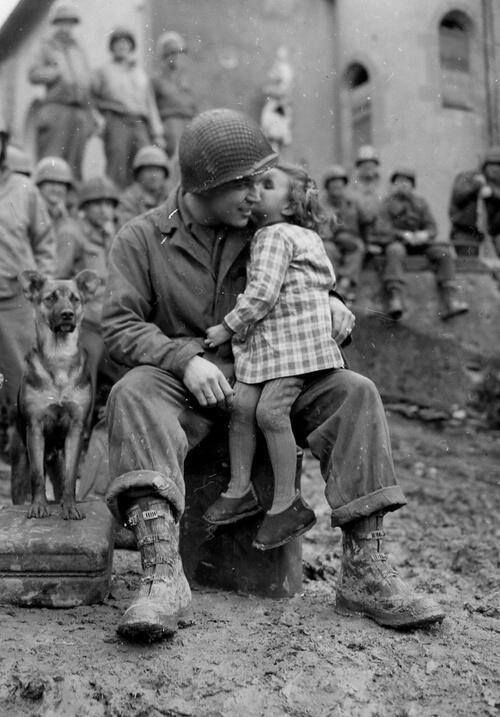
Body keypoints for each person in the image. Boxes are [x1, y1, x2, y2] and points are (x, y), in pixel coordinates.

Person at [101, 108, 444, 643]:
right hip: (187, 387)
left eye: (261, 182)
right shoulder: (141, 239)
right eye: (243, 184)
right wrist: (181, 360)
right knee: (132, 393)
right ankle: (161, 576)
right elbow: (119, 325)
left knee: (354, 393)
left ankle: (364, 572)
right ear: (202, 186)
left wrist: (332, 304)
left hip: (271, 376)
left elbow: (304, 275)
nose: (254, 194)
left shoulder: (264, 228)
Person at [202, 163, 341, 549]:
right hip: (272, 348)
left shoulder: (275, 236)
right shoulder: (297, 235)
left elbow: (262, 293)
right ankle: (239, 488)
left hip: (293, 348)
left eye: (267, 185)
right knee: (241, 404)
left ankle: (286, 504)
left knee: (269, 412)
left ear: (291, 204)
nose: (255, 191)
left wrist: (226, 327)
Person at [0, 122, 56, 435]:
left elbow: (45, 241)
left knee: (22, 382)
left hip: (15, 303)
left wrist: (42, 285)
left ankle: (24, 456)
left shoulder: (24, 189)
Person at [374, 168, 469, 320]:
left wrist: (424, 234)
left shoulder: (420, 203)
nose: (403, 185)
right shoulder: (386, 203)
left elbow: (432, 227)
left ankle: (451, 299)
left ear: (412, 186)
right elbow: (381, 228)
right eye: (399, 182)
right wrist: (403, 235)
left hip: (419, 244)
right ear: (393, 185)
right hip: (397, 242)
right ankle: (395, 298)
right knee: (394, 251)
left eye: (407, 182)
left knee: (443, 253)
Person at [92, 27, 165, 189]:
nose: (122, 47)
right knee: (117, 163)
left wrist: (157, 133)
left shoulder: (140, 73)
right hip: (116, 121)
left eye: (126, 43)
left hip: (139, 124)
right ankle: (114, 203)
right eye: (118, 43)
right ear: (112, 47)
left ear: (131, 47)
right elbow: (90, 99)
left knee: (145, 161)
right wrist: (99, 120)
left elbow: (150, 103)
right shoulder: (103, 71)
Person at [28, 1, 94, 180]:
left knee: (75, 164)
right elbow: (33, 74)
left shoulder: (78, 50)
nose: (67, 27)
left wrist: (92, 114)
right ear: (56, 23)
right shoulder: (46, 45)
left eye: (71, 23)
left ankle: (71, 206)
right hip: (56, 109)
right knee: (52, 161)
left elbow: (86, 82)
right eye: (63, 22)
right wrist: (54, 73)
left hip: (78, 110)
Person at [76, 176, 119, 393]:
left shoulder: (111, 235)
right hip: (86, 325)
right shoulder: (73, 234)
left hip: (109, 321)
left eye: (109, 204)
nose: (104, 210)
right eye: (97, 204)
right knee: (85, 383)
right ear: (85, 206)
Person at [320, 164, 366, 302]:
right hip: (330, 240)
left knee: (358, 248)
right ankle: (332, 287)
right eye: (333, 185)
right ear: (327, 187)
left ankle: (345, 284)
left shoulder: (352, 202)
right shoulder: (321, 204)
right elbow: (321, 227)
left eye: (340, 184)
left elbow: (364, 223)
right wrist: (335, 236)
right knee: (328, 250)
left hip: (350, 239)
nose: (337, 188)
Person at [33, 156, 84, 279]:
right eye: (51, 183)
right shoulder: (32, 214)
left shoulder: (66, 223)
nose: (56, 189)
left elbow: (61, 270)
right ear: (39, 186)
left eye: (61, 184)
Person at [152, 32, 197, 160]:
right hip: (170, 125)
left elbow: (193, 106)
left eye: (178, 53)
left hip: (189, 124)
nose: (175, 57)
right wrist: (157, 133)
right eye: (171, 53)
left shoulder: (185, 81)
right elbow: (151, 108)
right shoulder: (156, 80)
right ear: (164, 56)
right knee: (175, 160)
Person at [449, 146, 500, 257]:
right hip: (466, 232)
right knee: (470, 264)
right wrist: (476, 185)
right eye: (492, 164)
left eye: (499, 166)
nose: (496, 169)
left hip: (493, 233)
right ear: (485, 165)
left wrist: (492, 193)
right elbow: (458, 195)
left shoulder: (495, 185)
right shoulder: (467, 177)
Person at [116, 145, 170, 228]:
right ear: (138, 174)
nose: (153, 176)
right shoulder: (129, 199)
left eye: (158, 170)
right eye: (149, 170)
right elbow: (128, 230)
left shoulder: (171, 195)